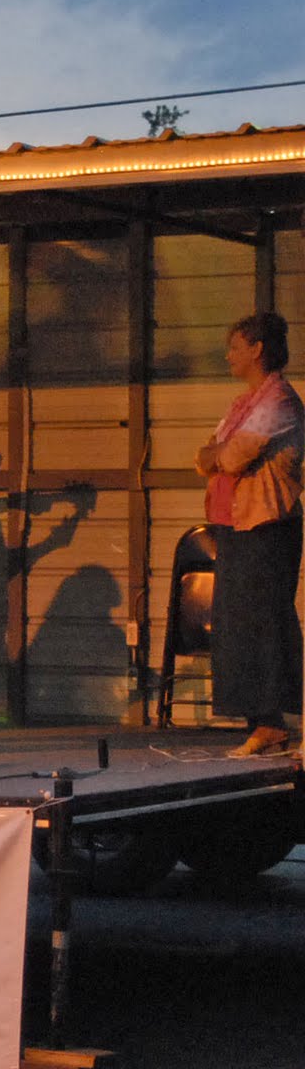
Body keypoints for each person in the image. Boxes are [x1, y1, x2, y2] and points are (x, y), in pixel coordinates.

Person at [195, 311, 305, 758]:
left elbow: (235, 455)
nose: (229, 355)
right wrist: (216, 454)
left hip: (266, 525)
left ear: (257, 349)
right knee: (236, 623)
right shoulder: (243, 403)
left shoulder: (278, 399)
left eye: (235, 347)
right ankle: (263, 723)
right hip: (236, 525)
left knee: (264, 620)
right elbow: (204, 456)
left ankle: (276, 719)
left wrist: (217, 453)